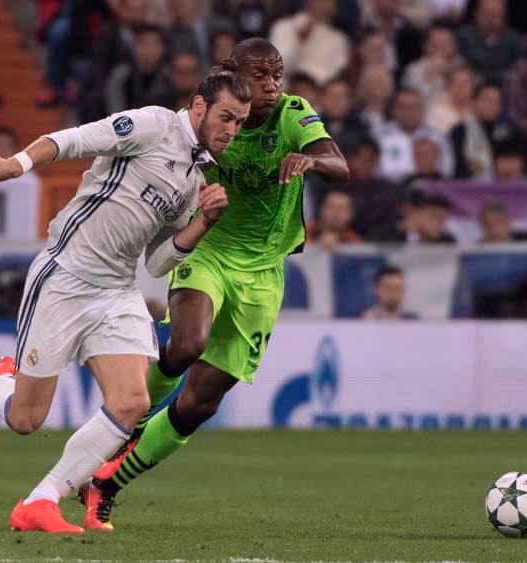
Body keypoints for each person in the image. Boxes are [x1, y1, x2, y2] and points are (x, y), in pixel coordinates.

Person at [0, 70, 250, 534]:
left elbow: (156, 262)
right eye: (226, 117)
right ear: (198, 107)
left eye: (240, 122)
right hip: (65, 276)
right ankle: (1, 382)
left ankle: (41, 500)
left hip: (115, 291)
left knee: (134, 400)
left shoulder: (195, 176)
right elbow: (73, 139)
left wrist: (203, 223)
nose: (232, 130)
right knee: (26, 420)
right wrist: (16, 165)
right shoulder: (154, 125)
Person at [83, 38, 349, 530]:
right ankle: (125, 423)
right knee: (186, 344)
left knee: (199, 401)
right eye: (260, 76)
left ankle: (106, 484)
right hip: (209, 248)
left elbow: (340, 164)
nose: (271, 86)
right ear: (234, 74)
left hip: (264, 271)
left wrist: (311, 160)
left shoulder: (293, 115)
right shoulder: (210, 116)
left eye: (277, 75)